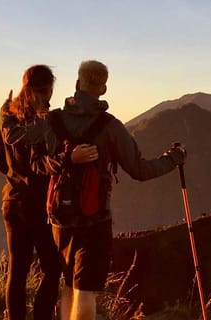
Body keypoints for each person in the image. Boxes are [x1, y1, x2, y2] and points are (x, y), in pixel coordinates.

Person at [39, 60, 186, 320]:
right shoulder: (109, 127)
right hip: (94, 221)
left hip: (58, 219)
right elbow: (140, 170)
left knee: (68, 284)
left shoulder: (52, 121)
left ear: (76, 84)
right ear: (104, 89)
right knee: (85, 290)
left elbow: (38, 163)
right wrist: (174, 158)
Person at [0, 65, 99, 320]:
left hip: (11, 200)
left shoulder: (9, 115)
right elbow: (42, 163)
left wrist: (15, 176)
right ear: (49, 87)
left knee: (17, 271)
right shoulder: (45, 121)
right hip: (38, 204)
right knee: (52, 268)